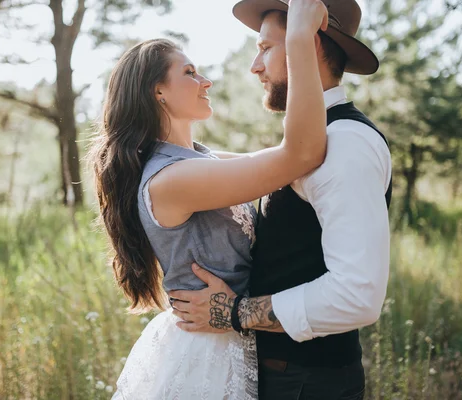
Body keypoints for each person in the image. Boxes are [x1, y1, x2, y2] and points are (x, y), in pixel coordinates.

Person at [89, 1, 331, 398]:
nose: (206, 81)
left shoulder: (197, 160)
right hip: (207, 354)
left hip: (232, 336)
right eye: (189, 73)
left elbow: (287, 161)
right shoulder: (175, 178)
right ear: (158, 92)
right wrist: (299, 39)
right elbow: (299, 154)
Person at [168, 0, 393, 399]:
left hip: (308, 383)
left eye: (267, 48)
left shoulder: (346, 145)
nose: (255, 66)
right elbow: (223, 166)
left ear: (310, 44)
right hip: (284, 377)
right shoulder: (313, 139)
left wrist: (234, 312)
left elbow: (357, 296)